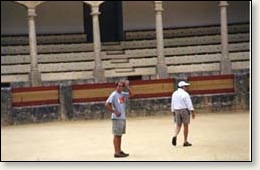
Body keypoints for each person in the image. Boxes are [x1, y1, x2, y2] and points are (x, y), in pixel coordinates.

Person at [105, 80, 133, 158]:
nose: (120, 87)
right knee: (116, 135)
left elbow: (132, 95)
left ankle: (119, 150)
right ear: (116, 86)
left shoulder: (122, 94)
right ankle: (116, 152)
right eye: (119, 86)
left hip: (122, 117)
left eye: (122, 86)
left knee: (119, 135)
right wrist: (114, 111)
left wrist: (128, 87)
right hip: (117, 118)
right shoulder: (114, 94)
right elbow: (107, 104)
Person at [171, 81, 195, 147]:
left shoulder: (174, 93)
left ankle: (175, 135)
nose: (187, 87)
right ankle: (185, 141)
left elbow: (172, 103)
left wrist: (173, 111)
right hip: (184, 110)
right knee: (186, 126)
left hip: (176, 110)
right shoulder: (185, 94)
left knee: (178, 125)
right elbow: (189, 103)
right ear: (182, 87)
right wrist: (192, 111)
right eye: (186, 86)